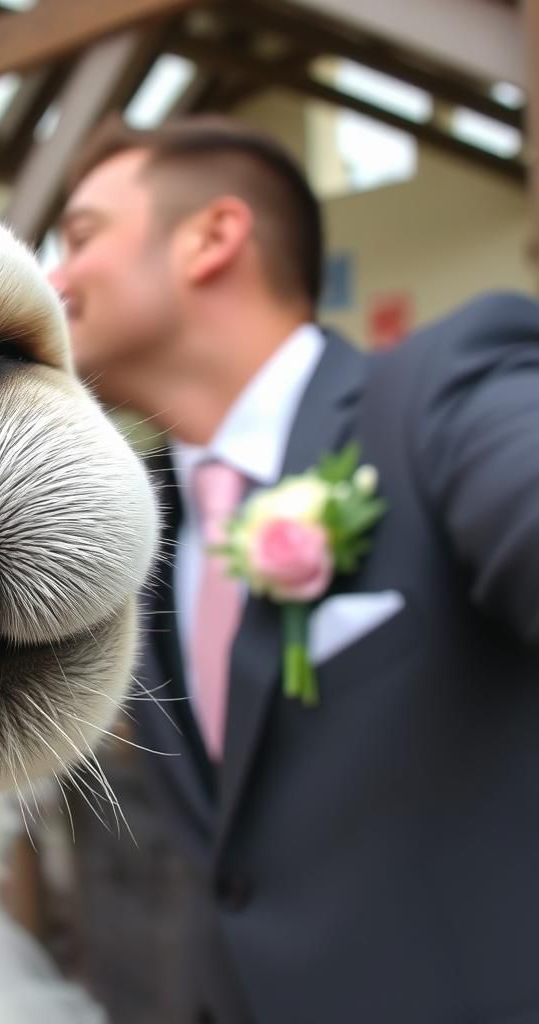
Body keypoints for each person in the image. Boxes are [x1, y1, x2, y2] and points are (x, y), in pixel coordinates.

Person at [47, 113, 539, 1024]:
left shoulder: (439, 397)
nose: (52, 280)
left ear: (214, 237)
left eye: (79, 239)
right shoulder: (135, 530)